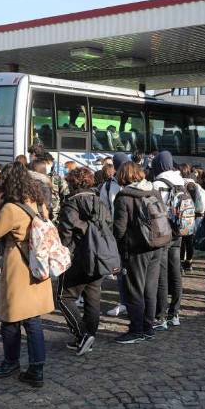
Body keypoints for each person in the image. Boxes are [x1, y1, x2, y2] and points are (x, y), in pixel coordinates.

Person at [0, 162, 53, 387]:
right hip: (37, 265)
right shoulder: (38, 203)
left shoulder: (11, 209)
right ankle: (36, 367)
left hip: (19, 267)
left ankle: (11, 361)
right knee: (33, 320)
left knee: (10, 318)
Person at [56, 167, 112, 355]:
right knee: (92, 298)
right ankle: (89, 336)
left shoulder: (71, 204)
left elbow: (65, 234)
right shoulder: (100, 202)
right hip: (99, 257)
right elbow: (108, 226)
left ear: (72, 183)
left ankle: (82, 335)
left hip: (78, 258)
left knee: (63, 297)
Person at [112, 161, 164, 343]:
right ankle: (148, 328)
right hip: (157, 246)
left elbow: (119, 229)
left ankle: (136, 330)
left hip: (136, 249)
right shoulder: (154, 191)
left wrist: (116, 248)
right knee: (150, 289)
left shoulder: (123, 196)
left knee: (134, 290)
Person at [151, 151, 185, 330]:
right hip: (179, 231)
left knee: (162, 275)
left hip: (164, 232)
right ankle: (175, 313)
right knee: (176, 271)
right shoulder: (182, 181)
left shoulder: (157, 183)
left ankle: (161, 316)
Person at [100, 152, 130, 317]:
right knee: (128, 270)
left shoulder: (108, 186)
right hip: (132, 233)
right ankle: (131, 302)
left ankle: (126, 302)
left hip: (118, 233)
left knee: (122, 269)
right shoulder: (140, 182)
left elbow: (103, 212)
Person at [180, 163, 205, 272]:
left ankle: (181, 263)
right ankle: (189, 264)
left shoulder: (181, 185)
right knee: (189, 241)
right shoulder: (196, 186)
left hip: (182, 216)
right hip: (193, 216)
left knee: (182, 242)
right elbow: (203, 202)